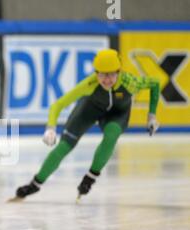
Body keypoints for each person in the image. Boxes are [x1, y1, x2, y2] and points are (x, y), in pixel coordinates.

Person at [11, 49, 160, 202]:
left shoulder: (130, 83)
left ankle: (90, 177)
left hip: (117, 114)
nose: (106, 80)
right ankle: (35, 184)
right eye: (102, 74)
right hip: (89, 110)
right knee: (63, 147)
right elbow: (58, 105)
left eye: (111, 74)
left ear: (119, 72)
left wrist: (152, 115)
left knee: (112, 135)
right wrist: (50, 128)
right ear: (96, 73)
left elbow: (155, 84)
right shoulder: (90, 83)